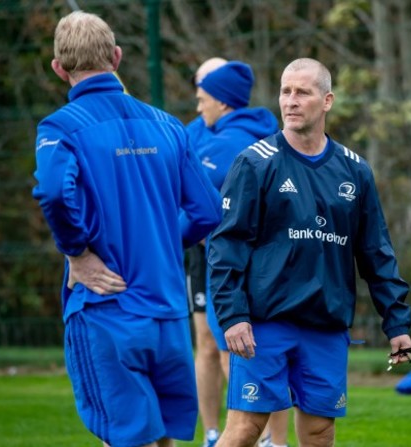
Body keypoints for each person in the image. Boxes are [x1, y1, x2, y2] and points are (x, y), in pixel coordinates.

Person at [31, 11, 222, 447]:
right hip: (169, 314)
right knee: (160, 439)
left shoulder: (60, 127)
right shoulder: (168, 125)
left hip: (108, 309)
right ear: (116, 57)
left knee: (127, 438)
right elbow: (208, 210)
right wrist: (161, 241)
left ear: (59, 69)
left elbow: (56, 195)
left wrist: (76, 252)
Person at [208, 57, 411, 447]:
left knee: (320, 433)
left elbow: (376, 252)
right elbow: (226, 246)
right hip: (265, 325)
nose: (291, 100)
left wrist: (397, 321)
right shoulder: (254, 163)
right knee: (245, 430)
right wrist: (233, 315)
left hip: (326, 327)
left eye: (302, 92)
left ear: (327, 100)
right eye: (285, 91)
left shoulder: (355, 171)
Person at [189, 59, 291, 447]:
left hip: (230, 264)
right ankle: (270, 441)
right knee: (263, 353)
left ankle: (255, 438)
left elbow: (196, 204)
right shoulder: (251, 132)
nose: (199, 107)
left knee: (235, 349)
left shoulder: (227, 144)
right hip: (265, 265)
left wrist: (187, 230)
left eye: (203, 98)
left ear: (223, 102)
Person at [183, 56, 228, 447]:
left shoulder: (244, 133)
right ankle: (212, 434)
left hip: (237, 253)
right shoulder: (189, 134)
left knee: (237, 341)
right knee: (207, 342)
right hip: (200, 253)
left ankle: (256, 433)